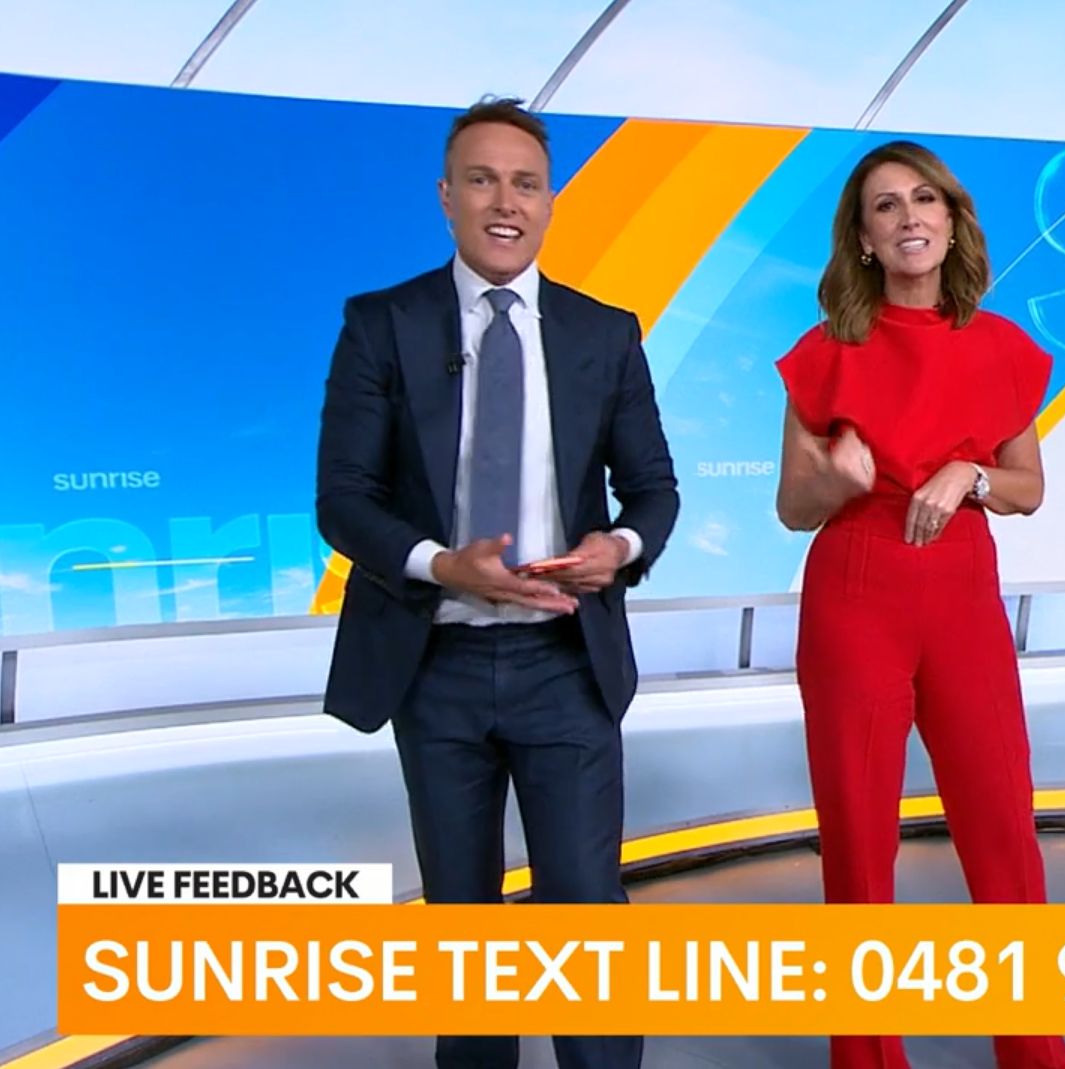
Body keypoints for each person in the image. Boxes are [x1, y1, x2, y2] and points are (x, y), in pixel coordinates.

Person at [315, 96, 678, 1069]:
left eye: (525, 183)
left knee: (585, 916)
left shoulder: (604, 332)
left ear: (550, 200)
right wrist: (442, 563)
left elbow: (653, 488)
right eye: (482, 180)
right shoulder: (382, 324)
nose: (504, 202)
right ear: (447, 196)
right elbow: (342, 499)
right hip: (432, 664)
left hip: (565, 662)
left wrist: (620, 547)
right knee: (463, 924)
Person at [773, 140, 1065, 1069]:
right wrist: (837, 478)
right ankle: (865, 1055)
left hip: (961, 594)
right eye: (884, 205)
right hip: (855, 590)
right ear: (863, 239)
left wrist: (968, 473)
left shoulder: (1002, 347)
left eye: (923, 199)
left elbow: (1027, 486)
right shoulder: (825, 353)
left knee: (1003, 828)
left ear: (950, 221)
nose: (908, 216)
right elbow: (792, 507)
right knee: (858, 842)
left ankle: (1033, 1049)